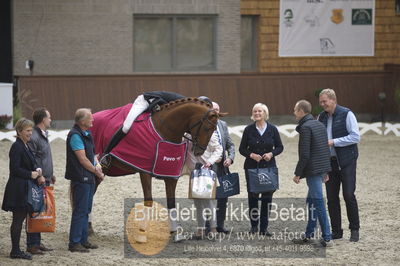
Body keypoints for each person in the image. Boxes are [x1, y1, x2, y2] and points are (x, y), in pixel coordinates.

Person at [318, 88, 361, 242]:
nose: (323, 104)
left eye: (325, 101)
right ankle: (336, 231)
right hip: (329, 164)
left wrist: (334, 142)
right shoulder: (321, 117)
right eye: (321, 102)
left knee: (348, 195)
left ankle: (354, 229)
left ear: (333, 100)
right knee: (331, 198)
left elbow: (355, 137)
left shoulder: (347, 114)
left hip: (347, 162)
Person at [2, 118, 45, 260]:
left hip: (24, 187)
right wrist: (30, 174)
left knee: (20, 219)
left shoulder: (25, 145)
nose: (30, 133)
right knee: (18, 220)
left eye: (31, 130)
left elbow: (31, 162)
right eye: (27, 131)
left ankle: (18, 249)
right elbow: (14, 169)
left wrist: (37, 170)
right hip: (17, 188)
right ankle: (15, 250)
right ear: (19, 132)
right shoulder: (17, 146)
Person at [292, 100, 333, 247]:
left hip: (313, 170)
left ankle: (327, 237)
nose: (294, 112)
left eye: (295, 110)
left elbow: (305, 155)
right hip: (320, 169)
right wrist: (326, 170)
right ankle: (309, 234)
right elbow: (325, 149)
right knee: (311, 202)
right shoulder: (320, 125)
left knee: (319, 203)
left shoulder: (305, 128)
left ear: (301, 111)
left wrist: (298, 173)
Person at [239, 103, 283, 236]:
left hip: (269, 167)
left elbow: (280, 147)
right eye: (255, 111)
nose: (257, 113)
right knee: (253, 197)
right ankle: (254, 226)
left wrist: (271, 154)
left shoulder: (273, 129)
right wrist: (251, 155)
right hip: (252, 168)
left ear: (265, 113)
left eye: (259, 111)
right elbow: (241, 149)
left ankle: (264, 228)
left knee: (267, 198)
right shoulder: (248, 130)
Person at [65, 108, 105, 252]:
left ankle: (83, 240)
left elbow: (92, 155)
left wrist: (98, 166)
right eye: (90, 118)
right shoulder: (75, 135)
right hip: (81, 177)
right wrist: (97, 172)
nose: (93, 120)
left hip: (88, 177)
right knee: (80, 211)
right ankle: (74, 243)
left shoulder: (86, 134)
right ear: (82, 121)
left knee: (86, 210)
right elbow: (82, 159)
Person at [103, 91, 185, 155]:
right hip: (143, 101)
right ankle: (106, 153)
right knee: (126, 127)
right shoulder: (183, 102)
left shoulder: (185, 103)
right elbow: (158, 101)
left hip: (154, 102)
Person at [26, 108, 55, 255]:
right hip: (38, 181)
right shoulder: (35, 137)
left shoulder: (42, 135)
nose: (50, 119)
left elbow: (44, 157)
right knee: (34, 210)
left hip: (46, 179)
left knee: (40, 211)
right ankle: (32, 244)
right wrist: (39, 176)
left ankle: (36, 242)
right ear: (43, 119)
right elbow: (33, 160)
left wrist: (51, 174)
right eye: (49, 117)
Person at [211, 101, 235, 234]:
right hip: (209, 168)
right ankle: (209, 226)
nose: (216, 112)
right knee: (209, 198)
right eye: (213, 109)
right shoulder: (205, 125)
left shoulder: (223, 125)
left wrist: (230, 158)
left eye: (218, 109)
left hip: (223, 168)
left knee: (222, 198)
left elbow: (230, 144)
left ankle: (220, 225)